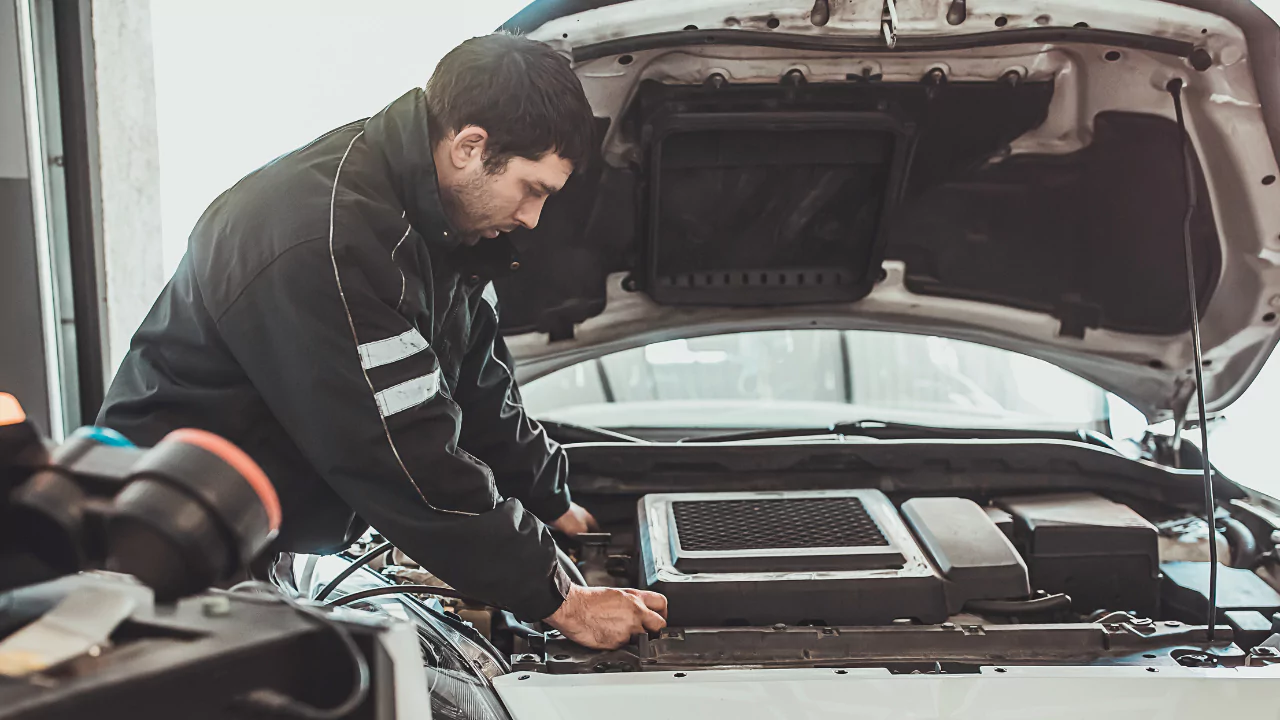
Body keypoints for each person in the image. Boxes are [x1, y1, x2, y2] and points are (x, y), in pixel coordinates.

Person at [96, 33, 666, 650]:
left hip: (254, 527)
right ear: (470, 147)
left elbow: (475, 384)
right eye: (532, 190)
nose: (532, 218)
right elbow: (403, 447)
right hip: (163, 541)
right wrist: (561, 600)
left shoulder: (433, 221)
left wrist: (552, 501)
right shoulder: (326, 237)